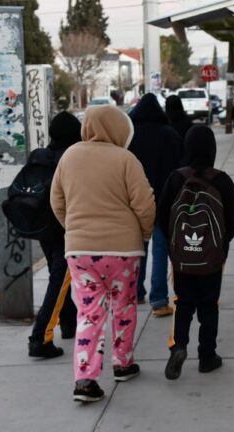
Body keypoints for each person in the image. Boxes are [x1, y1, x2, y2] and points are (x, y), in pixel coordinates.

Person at [50, 105, 156, 403]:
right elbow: (145, 203)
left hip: (80, 252)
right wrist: (144, 233)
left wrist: (74, 229)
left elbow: (57, 201)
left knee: (89, 313)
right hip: (123, 251)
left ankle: (85, 379)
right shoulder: (126, 159)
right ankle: (122, 363)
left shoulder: (69, 156)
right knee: (123, 308)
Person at [156, 125, 234, 380]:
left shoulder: (175, 178)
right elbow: (233, 220)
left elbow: (162, 217)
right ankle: (207, 356)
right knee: (208, 305)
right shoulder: (221, 180)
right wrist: (220, 246)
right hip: (212, 258)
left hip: (182, 258)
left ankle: (179, 346)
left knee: (183, 303)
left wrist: (176, 246)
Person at [28, 112, 81, 359]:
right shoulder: (70, 159)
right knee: (59, 280)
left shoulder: (39, 156)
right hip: (63, 228)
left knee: (58, 277)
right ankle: (40, 338)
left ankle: (68, 323)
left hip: (42, 228)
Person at [128, 93, 183, 317]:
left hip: (136, 201)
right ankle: (159, 299)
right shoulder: (169, 134)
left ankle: (136, 291)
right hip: (164, 200)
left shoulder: (130, 136)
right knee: (161, 249)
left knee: (137, 248)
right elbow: (181, 165)